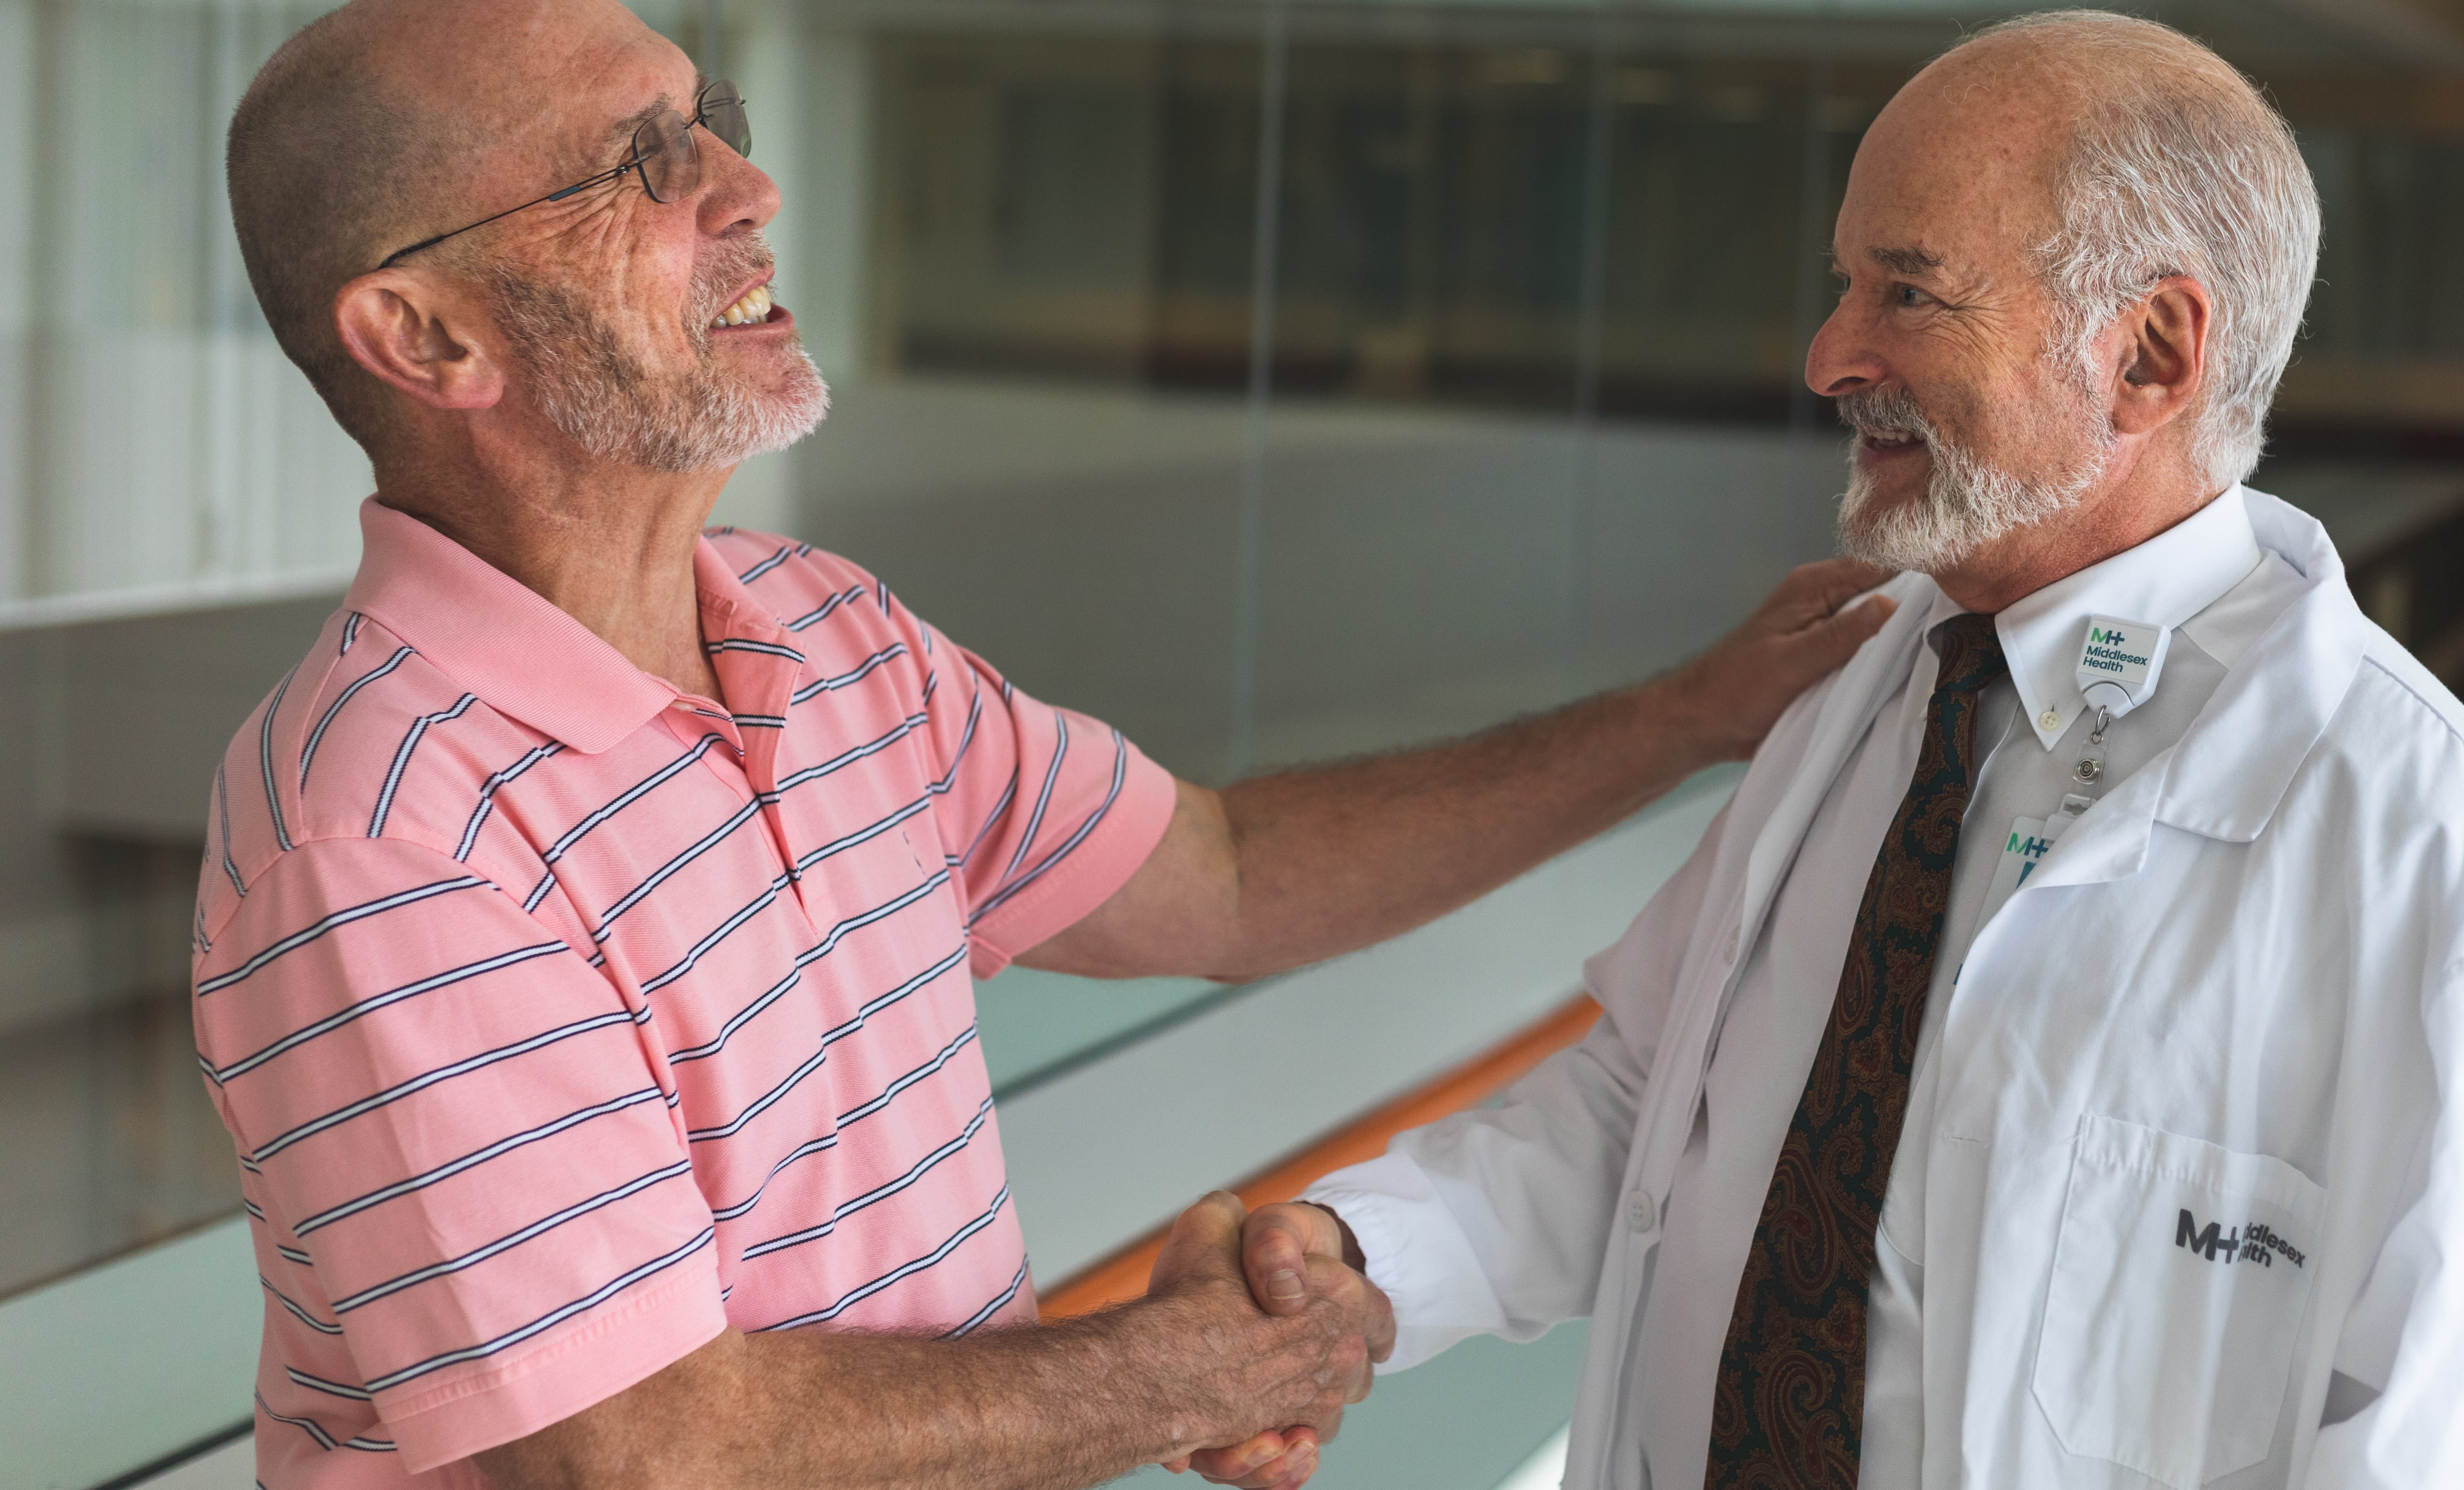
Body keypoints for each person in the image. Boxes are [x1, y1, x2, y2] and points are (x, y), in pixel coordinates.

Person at [193, 2, 1897, 1487]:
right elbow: (649, 1454)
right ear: (428, 338)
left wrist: (1689, 713)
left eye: (714, 121)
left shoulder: (817, 629)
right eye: (636, 165)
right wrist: (1187, 1371)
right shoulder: (384, 835)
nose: (745, 187)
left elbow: (1226, 879)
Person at [1229, 11, 2464, 1490]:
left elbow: (2454, 1448)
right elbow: (1661, 1101)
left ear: (2148, 353)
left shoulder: (2432, 855)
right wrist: (1363, 1255)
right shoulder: (1869, 679)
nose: (1832, 356)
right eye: (1846, 287)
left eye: (1909, 292)